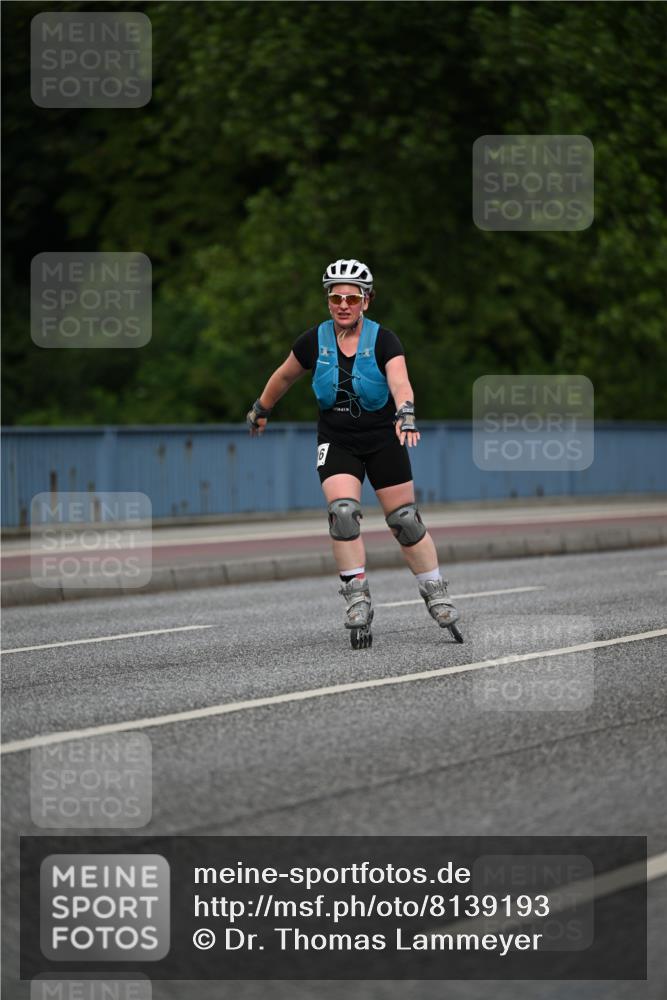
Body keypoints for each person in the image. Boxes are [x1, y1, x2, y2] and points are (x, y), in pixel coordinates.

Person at [246, 258, 461, 648]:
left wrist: (406, 413)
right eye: (336, 298)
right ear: (328, 301)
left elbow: (400, 381)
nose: (343, 304)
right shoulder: (312, 341)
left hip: (382, 437)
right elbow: (283, 376)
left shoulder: (385, 340)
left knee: (405, 520)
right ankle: (357, 597)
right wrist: (261, 409)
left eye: (352, 297)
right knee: (342, 513)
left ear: (366, 301)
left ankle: (436, 593)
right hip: (338, 438)